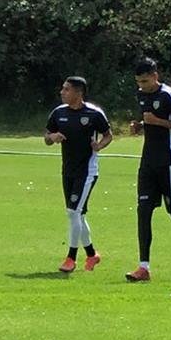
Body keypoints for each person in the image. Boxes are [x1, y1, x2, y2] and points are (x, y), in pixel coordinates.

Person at [125, 58, 171, 282]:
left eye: (145, 81)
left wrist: (156, 121)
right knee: (143, 211)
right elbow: (149, 121)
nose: (142, 86)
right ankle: (143, 267)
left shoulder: (167, 95)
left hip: (170, 162)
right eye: (138, 82)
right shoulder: (141, 94)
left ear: (155, 75)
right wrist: (140, 126)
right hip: (148, 162)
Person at [44, 76, 112, 273]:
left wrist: (99, 146)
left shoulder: (94, 114)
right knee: (78, 214)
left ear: (78, 93)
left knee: (73, 212)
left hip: (87, 171)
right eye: (62, 89)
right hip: (68, 170)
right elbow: (47, 137)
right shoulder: (58, 113)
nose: (62, 92)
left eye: (66, 89)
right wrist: (52, 137)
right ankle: (92, 255)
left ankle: (71, 258)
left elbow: (108, 135)